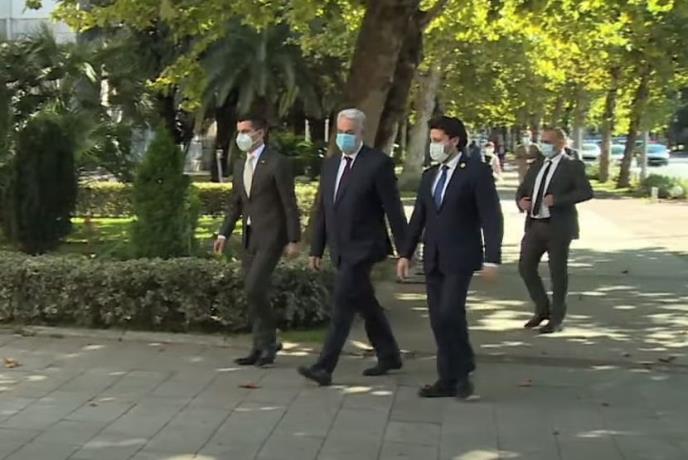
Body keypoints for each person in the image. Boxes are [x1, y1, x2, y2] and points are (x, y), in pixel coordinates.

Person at [298, 108, 408, 386]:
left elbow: (393, 210)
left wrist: (405, 251)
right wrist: (316, 248)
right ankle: (389, 355)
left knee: (342, 305)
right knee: (365, 302)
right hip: (340, 247)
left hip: (364, 247)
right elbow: (324, 210)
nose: (344, 137)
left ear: (361, 132)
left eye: (350, 132)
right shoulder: (331, 164)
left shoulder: (378, 164)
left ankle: (324, 367)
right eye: (341, 132)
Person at [397, 116, 503, 399]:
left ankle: (463, 371)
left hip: (461, 256)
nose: (433, 145)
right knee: (437, 319)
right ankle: (448, 378)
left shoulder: (476, 172)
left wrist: (492, 258)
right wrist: (405, 253)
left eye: (437, 140)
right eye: (431, 140)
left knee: (450, 313)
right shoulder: (429, 175)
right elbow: (418, 217)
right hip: (433, 257)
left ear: (454, 141)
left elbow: (491, 217)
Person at [214, 115, 301, 367]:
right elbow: (236, 205)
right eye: (239, 131)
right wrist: (223, 234)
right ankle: (258, 347)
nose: (241, 136)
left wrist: (293, 239)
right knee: (252, 292)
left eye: (246, 131)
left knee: (254, 287)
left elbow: (289, 203)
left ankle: (270, 342)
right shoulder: (240, 165)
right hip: (250, 236)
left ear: (260, 133)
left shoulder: (277, 162)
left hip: (272, 236)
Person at [516, 127, 593, 334]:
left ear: (561, 143)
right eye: (542, 141)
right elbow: (523, 189)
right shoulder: (538, 164)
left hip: (558, 227)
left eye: (548, 142)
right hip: (535, 225)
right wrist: (521, 201)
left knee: (557, 273)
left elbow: (586, 192)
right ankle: (542, 309)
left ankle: (557, 319)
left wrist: (558, 200)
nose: (544, 145)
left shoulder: (572, 166)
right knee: (525, 267)